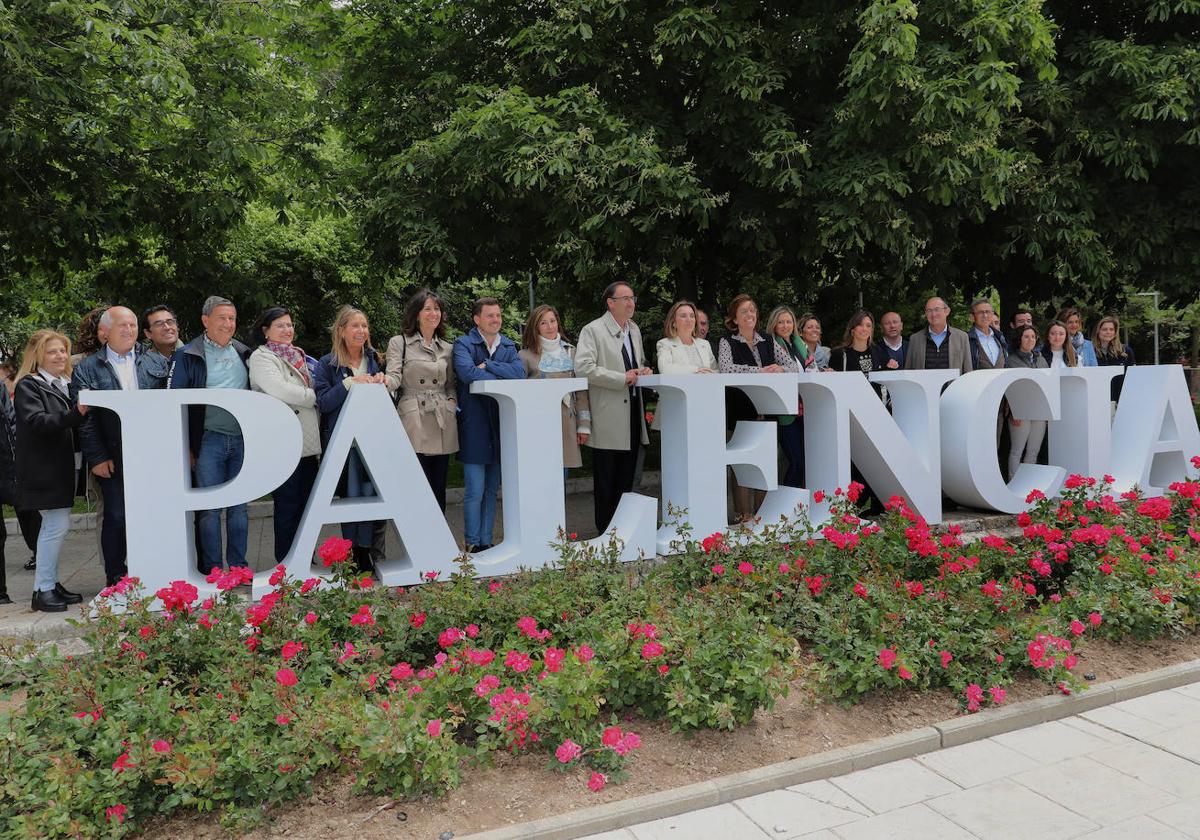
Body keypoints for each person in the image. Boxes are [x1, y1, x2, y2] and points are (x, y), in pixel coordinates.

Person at [71, 306, 169, 586]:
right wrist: (98, 456)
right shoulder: (88, 368)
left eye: (133, 325)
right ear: (105, 332)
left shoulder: (154, 362)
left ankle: (153, 570)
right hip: (113, 455)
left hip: (151, 455)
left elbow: (167, 408)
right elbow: (85, 419)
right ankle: (116, 577)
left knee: (153, 513)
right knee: (116, 516)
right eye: (122, 326)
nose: (129, 331)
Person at [168, 296, 253, 576]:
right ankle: (213, 570)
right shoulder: (188, 355)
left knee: (240, 508)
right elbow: (174, 404)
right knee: (209, 510)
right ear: (206, 320)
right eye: (222, 318)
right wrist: (186, 447)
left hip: (241, 441)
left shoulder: (245, 352)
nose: (228, 324)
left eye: (232, 318)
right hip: (207, 441)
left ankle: (239, 567)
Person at [13, 330, 88, 612]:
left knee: (56, 527)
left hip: (62, 466)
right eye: (52, 351)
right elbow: (38, 422)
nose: (60, 356)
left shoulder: (64, 382)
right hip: (43, 469)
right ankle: (42, 590)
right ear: (38, 356)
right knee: (54, 528)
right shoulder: (28, 385)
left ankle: (50, 583)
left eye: (63, 351)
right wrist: (75, 415)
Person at [314, 305, 387, 572]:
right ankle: (351, 552)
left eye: (364, 326)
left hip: (372, 440)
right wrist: (348, 384)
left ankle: (365, 550)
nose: (361, 331)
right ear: (342, 330)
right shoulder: (327, 364)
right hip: (343, 442)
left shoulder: (375, 359)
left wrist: (383, 382)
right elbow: (323, 402)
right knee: (350, 496)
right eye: (355, 326)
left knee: (369, 494)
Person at [576, 282, 653, 534]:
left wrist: (644, 370)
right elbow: (584, 368)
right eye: (625, 298)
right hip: (607, 414)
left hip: (633, 410)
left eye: (633, 298)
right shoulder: (593, 330)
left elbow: (635, 362)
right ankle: (605, 532)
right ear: (610, 302)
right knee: (607, 479)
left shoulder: (634, 330)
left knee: (627, 477)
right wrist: (622, 378)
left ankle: (624, 532)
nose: (631, 303)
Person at [248, 306, 321, 562]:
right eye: (280, 325)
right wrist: (315, 397)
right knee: (288, 506)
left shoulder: (300, 356)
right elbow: (280, 390)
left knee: (306, 507)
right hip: (283, 442)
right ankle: (287, 565)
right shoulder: (262, 357)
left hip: (309, 443)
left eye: (289, 325)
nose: (287, 330)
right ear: (266, 330)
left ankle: (306, 562)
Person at [717, 294, 799, 520]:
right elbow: (726, 369)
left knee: (765, 463)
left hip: (766, 411)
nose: (750, 314)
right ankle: (744, 514)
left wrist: (779, 369)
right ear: (734, 318)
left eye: (753, 310)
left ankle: (762, 515)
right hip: (739, 411)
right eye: (744, 311)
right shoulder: (727, 341)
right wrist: (759, 372)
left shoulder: (768, 340)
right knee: (742, 464)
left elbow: (792, 366)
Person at [453, 297, 525, 552]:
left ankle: (487, 540)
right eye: (490, 316)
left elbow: (520, 374)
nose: (496, 320)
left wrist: (491, 365)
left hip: (501, 426)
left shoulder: (508, 344)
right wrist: (500, 372)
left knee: (493, 488)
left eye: (498, 315)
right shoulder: (463, 344)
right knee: (475, 489)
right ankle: (472, 542)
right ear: (477, 319)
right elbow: (468, 374)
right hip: (474, 425)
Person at [385, 289, 459, 512]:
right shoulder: (400, 343)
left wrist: (452, 401)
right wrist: (383, 381)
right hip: (414, 417)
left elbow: (450, 383)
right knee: (416, 483)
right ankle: (416, 543)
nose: (433, 313)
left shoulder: (447, 348)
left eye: (437, 309)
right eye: (427, 308)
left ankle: (439, 542)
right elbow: (394, 375)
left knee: (438, 484)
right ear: (416, 313)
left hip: (441, 418)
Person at [518, 304, 591, 477]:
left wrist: (584, 425)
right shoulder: (524, 355)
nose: (550, 327)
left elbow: (580, 393)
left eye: (552, 321)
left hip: (568, 421)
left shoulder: (571, 352)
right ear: (535, 327)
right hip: (539, 424)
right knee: (540, 475)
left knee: (562, 474)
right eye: (543, 323)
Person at [765, 305, 806, 488]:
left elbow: (808, 368)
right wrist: (785, 369)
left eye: (788, 322)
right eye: (780, 322)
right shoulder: (770, 344)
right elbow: (796, 369)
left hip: (805, 408)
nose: (785, 325)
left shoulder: (798, 343)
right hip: (785, 411)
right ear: (774, 324)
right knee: (796, 461)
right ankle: (790, 506)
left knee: (805, 460)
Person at [1004, 324, 1049, 477]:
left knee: (1033, 451)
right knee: (1017, 450)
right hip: (1020, 412)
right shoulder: (1011, 361)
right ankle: (1014, 484)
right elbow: (1009, 389)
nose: (1030, 339)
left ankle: (1028, 486)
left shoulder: (1041, 360)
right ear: (1019, 339)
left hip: (1039, 412)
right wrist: (1013, 411)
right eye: (1026, 336)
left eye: (1033, 337)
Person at [905, 296, 973, 374]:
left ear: (947, 311)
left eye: (937, 309)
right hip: (924, 386)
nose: (933, 314)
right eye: (929, 310)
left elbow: (968, 371)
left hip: (953, 386)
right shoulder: (915, 339)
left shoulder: (961, 337)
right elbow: (908, 372)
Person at [1092, 315, 1136, 409]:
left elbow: (1132, 378)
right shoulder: (1090, 351)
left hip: (1121, 401)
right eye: (1104, 329)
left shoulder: (1126, 351)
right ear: (1098, 331)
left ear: (1115, 332)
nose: (1108, 332)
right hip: (1097, 400)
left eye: (1111, 329)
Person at [829, 310, 884, 375]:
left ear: (871, 330)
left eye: (868, 326)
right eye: (860, 325)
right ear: (852, 330)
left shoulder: (878, 351)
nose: (864, 329)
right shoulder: (839, 354)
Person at [967, 299, 1008, 371]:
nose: (985, 315)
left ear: (992, 314)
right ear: (972, 317)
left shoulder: (1000, 338)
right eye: (980, 312)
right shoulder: (967, 340)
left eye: (988, 312)